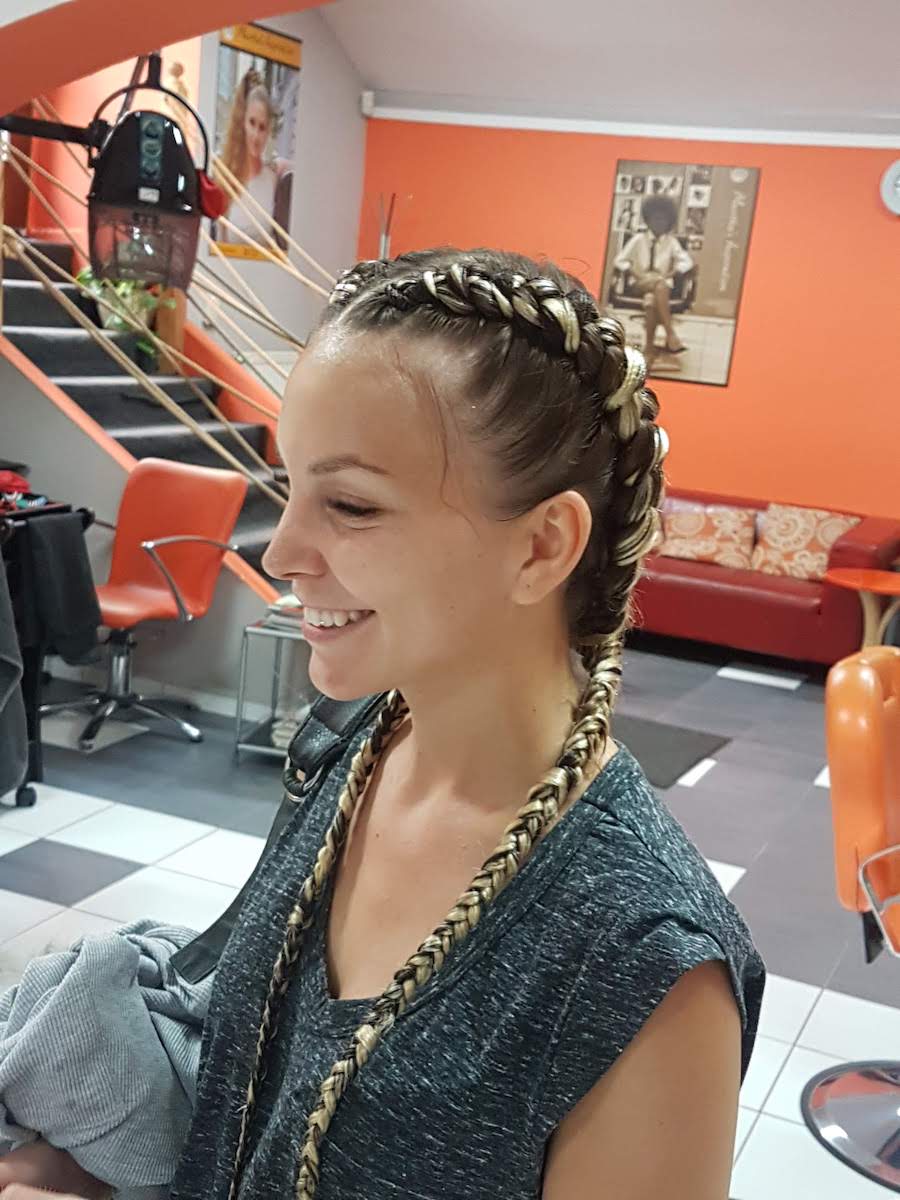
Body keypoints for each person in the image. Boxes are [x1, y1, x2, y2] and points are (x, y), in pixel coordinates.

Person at [0, 248, 765, 1200]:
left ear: (542, 546)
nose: (283, 550)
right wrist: (82, 1170)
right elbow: (255, 1095)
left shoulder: (644, 967)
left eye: (352, 505)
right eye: (291, 487)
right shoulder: (347, 745)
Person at [614, 194, 694, 364]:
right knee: (660, 285)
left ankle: (649, 348)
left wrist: (673, 272)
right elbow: (619, 260)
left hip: (661, 284)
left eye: (664, 219)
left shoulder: (671, 242)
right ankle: (671, 334)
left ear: (669, 221)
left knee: (651, 302)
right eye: (656, 219)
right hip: (640, 283)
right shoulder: (638, 240)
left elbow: (687, 262)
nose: (659, 223)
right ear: (648, 220)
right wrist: (634, 273)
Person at [215, 69, 289, 250]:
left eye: (262, 128)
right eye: (252, 123)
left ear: (268, 131)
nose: (256, 135)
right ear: (243, 124)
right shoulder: (225, 178)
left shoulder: (273, 179)